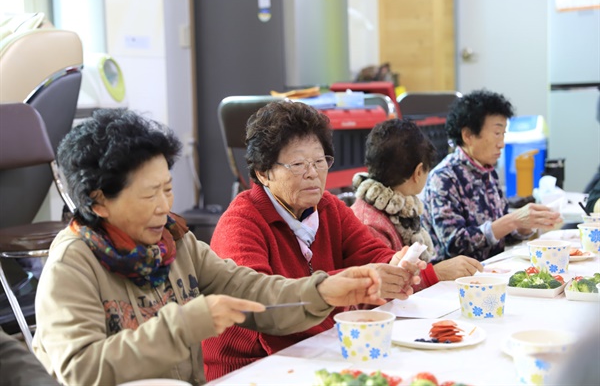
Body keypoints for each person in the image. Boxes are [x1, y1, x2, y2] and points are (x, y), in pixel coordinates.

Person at [31, 108, 387, 386]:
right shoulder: (72, 265)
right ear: (98, 202)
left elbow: (253, 290)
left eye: (167, 189)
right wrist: (185, 324)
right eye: (148, 194)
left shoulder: (176, 243)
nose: (163, 206)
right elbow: (79, 371)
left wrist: (322, 290)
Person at [203, 101, 426, 380]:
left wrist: (395, 266)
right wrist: (338, 284)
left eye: (320, 162)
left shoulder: (328, 208)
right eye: (298, 164)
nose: (313, 173)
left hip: (317, 351)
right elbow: (258, 307)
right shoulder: (241, 222)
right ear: (263, 173)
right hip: (253, 369)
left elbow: (372, 254)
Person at [421, 90, 562, 262]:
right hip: (456, 281)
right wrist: (513, 220)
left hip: (492, 270)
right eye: (496, 134)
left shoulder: (488, 171)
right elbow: (454, 244)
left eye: (503, 135)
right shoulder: (443, 177)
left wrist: (525, 226)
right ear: (468, 136)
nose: (502, 144)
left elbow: (498, 235)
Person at [351, 119, 483, 291]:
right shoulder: (369, 223)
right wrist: (436, 272)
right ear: (418, 172)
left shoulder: (400, 206)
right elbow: (382, 287)